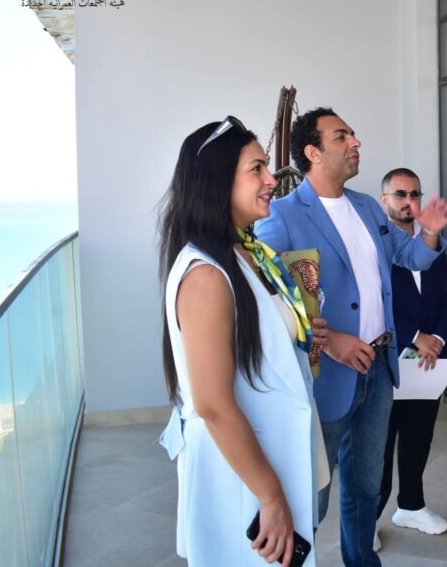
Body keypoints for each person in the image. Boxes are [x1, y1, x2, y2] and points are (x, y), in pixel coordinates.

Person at [255, 108, 447, 567]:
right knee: (313, 490)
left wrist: (428, 231)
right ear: (313, 152)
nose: (355, 142)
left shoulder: (366, 207)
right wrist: (330, 342)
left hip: (379, 368)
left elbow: (412, 258)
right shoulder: (282, 216)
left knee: (366, 484)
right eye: (342, 136)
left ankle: (362, 560)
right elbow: (270, 301)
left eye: (352, 134)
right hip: (325, 375)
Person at [158, 117, 326, 566]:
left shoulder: (243, 254)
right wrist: (269, 496)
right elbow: (213, 404)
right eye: (257, 169)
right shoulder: (206, 275)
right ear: (218, 181)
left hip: (267, 456)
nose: (272, 179)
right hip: (241, 475)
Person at [375, 168, 447, 546]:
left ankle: (411, 505)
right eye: (400, 195)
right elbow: (376, 302)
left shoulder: (432, 240)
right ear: (384, 201)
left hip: (429, 364)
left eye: (415, 195)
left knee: (419, 436)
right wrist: (414, 336)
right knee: (379, 445)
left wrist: (437, 339)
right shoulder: (376, 244)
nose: (409, 202)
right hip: (388, 359)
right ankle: (368, 520)